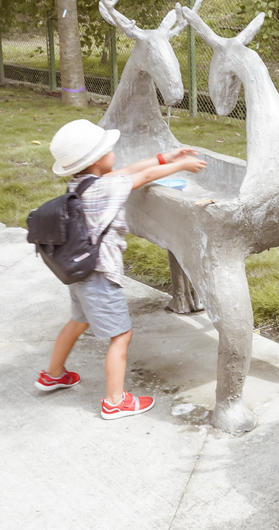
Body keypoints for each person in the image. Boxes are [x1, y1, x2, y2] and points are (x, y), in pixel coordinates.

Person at [36, 119, 206, 420]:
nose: (114, 154)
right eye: (110, 150)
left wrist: (169, 156)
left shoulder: (82, 184)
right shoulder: (106, 188)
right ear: (98, 160)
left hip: (79, 273)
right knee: (121, 336)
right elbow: (146, 175)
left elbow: (129, 171)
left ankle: (53, 374)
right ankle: (115, 401)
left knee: (77, 321)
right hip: (101, 276)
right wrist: (182, 166)